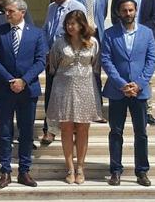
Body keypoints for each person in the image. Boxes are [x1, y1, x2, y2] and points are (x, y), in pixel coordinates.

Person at [0, 0, 48, 189]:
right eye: (6, 11)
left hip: (27, 89)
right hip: (5, 89)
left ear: (22, 12)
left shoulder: (36, 34)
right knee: (5, 131)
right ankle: (5, 171)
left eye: (11, 11)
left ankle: (24, 170)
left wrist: (23, 80)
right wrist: (10, 80)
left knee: (26, 132)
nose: (7, 14)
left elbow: (40, 61)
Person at [101, 0, 155, 187]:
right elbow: (106, 60)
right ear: (118, 12)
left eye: (131, 10)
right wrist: (121, 84)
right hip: (118, 92)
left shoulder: (147, 33)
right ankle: (115, 170)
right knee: (116, 132)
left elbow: (151, 61)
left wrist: (139, 84)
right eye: (124, 11)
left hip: (139, 93)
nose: (128, 14)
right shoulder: (109, 34)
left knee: (141, 133)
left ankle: (142, 171)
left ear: (135, 11)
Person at [46, 10, 103, 185]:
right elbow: (53, 65)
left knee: (83, 129)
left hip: (86, 88)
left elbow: (96, 66)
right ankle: (69, 167)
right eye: (68, 23)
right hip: (63, 88)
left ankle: (81, 167)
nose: (71, 26)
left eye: (75, 23)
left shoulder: (92, 42)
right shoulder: (59, 43)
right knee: (66, 129)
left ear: (82, 24)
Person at [111, 0, 155, 126]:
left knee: (147, 77)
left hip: (144, 41)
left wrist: (141, 32)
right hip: (122, 39)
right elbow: (114, 16)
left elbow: (154, 18)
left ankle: (148, 110)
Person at [41, 0, 86, 145]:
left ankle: (74, 130)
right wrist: (45, 51)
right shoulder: (52, 7)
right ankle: (50, 130)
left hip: (70, 59)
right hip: (52, 58)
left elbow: (83, 34)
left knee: (71, 96)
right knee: (51, 95)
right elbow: (46, 30)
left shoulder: (77, 7)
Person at [72, 0, 109, 123]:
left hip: (97, 36)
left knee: (95, 73)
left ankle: (97, 111)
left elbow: (104, 12)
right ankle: (78, 110)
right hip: (79, 37)